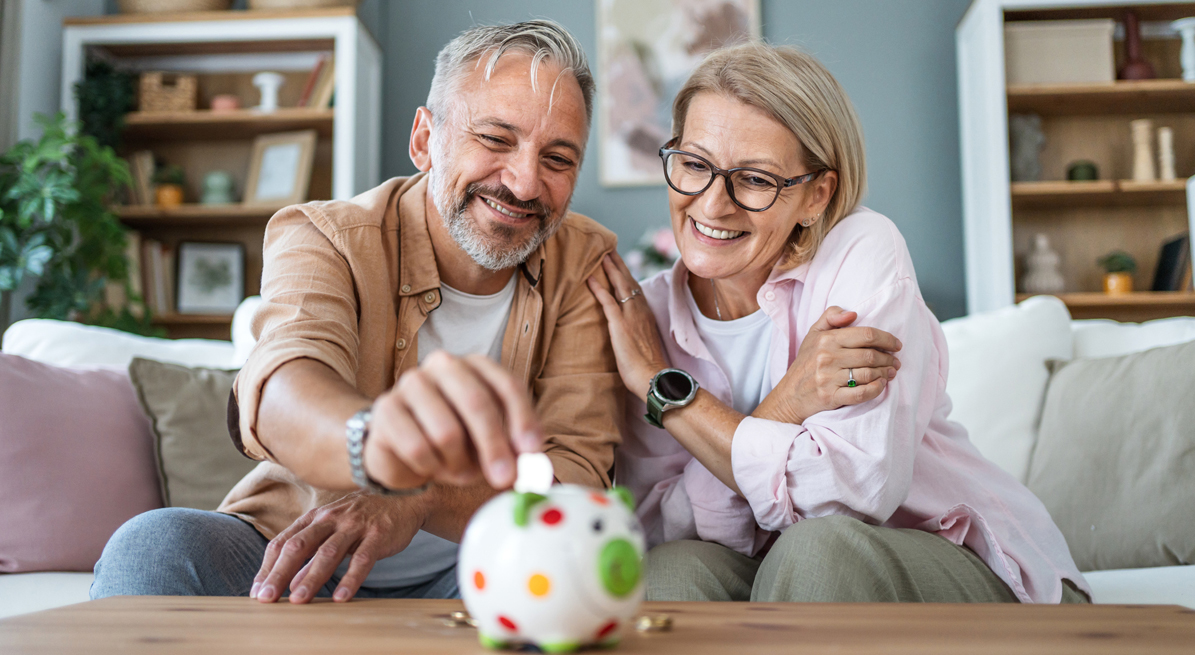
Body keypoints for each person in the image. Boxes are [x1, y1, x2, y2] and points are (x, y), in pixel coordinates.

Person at [92, 19, 625, 604]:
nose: (524, 184)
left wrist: (419, 496)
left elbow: (576, 482)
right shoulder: (326, 236)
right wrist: (376, 444)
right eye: (496, 140)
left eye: (557, 158)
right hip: (295, 550)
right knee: (151, 545)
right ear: (424, 140)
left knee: (572, 577)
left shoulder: (584, 261)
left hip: (479, 572)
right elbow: (282, 386)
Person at [588, 42, 1091, 604]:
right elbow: (657, 527)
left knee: (817, 551)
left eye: (754, 179)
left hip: (961, 560)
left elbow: (849, 495)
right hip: (773, 568)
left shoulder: (861, 252)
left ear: (816, 194)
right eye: (695, 164)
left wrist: (671, 399)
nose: (711, 205)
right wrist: (783, 404)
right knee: (668, 573)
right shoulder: (645, 321)